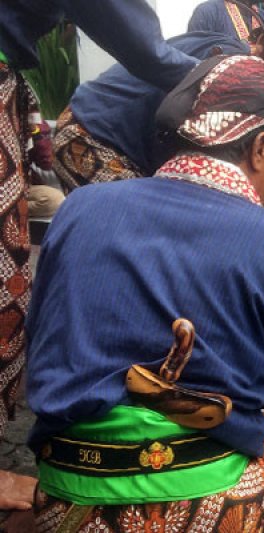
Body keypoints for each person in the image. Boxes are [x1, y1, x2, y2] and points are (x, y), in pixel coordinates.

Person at [26, 55, 264, 531]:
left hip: (66, 496)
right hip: (198, 509)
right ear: (261, 147)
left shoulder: (81, 209)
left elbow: (44, 332)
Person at [0, 0, 198, 511]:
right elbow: (135, 39)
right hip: (89, 138)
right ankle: (103, 368)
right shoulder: (213, 59)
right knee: (10, 279)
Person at [53, 32, 251, 190]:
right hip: (91, 136)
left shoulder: (217, 42)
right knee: (142, 222)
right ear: (263, 41)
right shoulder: (232, 62)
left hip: (88, 123)